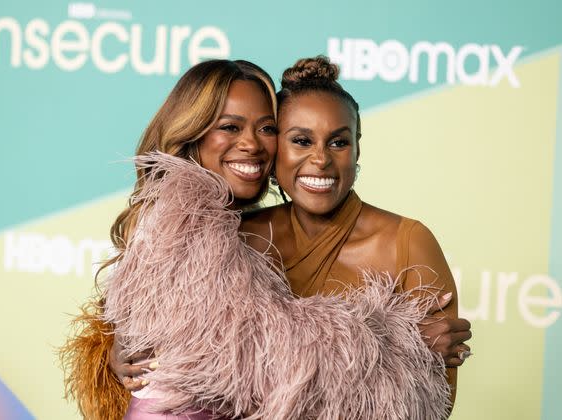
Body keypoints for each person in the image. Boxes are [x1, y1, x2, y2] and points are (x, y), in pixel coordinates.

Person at [61, 57, 469, 419]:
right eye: (301, 140)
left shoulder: (407, 241)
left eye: (339, 141)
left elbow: (434, 405)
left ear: (357, 149)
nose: (321, 159)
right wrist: (400, 346)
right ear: (282, 152)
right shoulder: (238, 235)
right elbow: (241, 370)